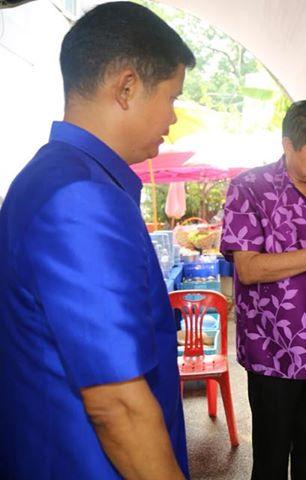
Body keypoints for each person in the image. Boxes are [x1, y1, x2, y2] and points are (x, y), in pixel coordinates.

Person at [0, 3, 195, 478]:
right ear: (126, 88)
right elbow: (117, 405)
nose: (172, 117)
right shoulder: (81, 196)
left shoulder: (54, 176)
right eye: (171, 97)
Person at [220, 100, 306, 480]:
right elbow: (248, 269)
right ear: (288, 145)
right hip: (272, 352)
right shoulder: (249, 189)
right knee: (271, 462)